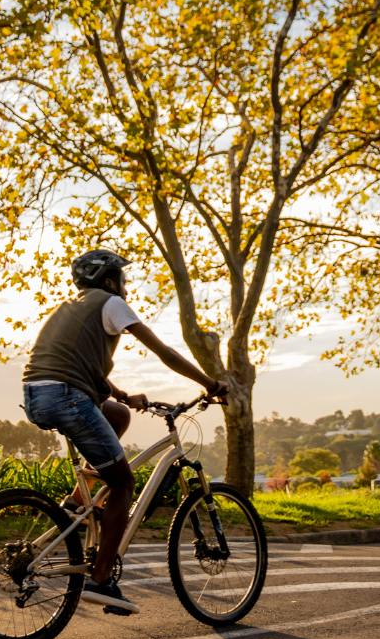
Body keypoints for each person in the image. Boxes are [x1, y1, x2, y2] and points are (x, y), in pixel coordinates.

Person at [21, 249, 227, 615]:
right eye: (122, 278)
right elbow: (163, 352)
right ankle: (101, 580)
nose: (126, 285)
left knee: (116, 415)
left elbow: (76, 363)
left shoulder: (69, 308)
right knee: (123, 484)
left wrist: (120, 395)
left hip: (40, 394)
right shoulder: (111, 303)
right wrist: (209, 383)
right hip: (68, 396)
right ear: (110, 280)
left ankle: (78, 501)